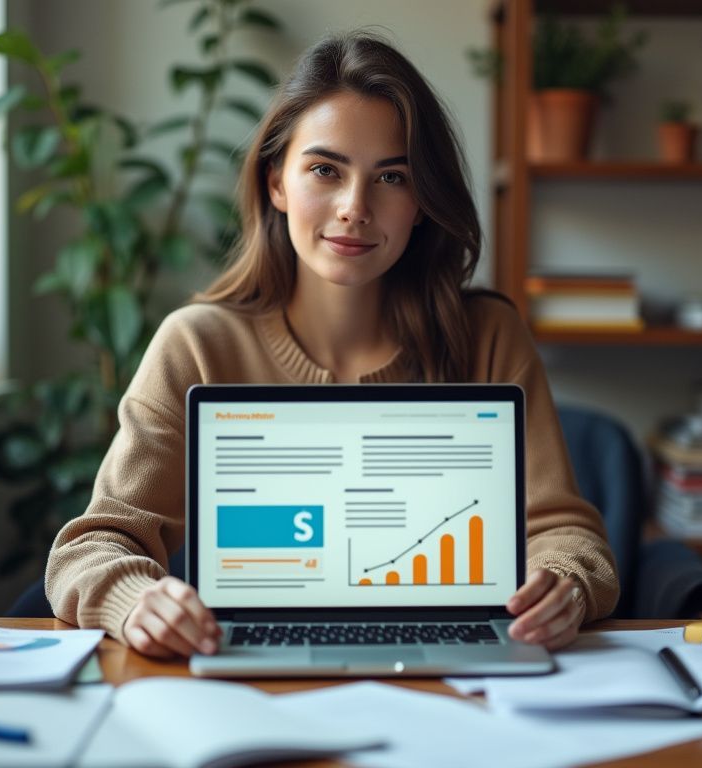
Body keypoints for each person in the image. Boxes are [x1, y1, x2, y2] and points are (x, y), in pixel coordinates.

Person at [46, 31, 619, 659]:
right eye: (325, 169)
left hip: (456, 678)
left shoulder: (486, 335)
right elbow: (90, 548)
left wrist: (565, 583)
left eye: (392, 177)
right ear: (276, 183)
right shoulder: (197, 344)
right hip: (245, 671)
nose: (355, 207)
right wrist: (135, 601)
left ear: (423, 201)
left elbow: (566, 534)